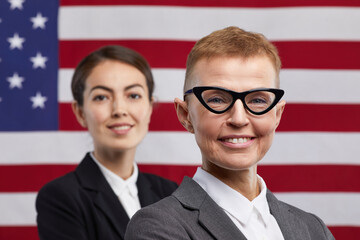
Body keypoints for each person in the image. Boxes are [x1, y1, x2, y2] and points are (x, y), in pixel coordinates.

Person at [125, 27, 335, 239]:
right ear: (185, 114)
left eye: (258, 100)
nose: (239, 119)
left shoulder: (313, 229)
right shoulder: (157, 226)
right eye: (217, 99)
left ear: (277, 114)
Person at [36, 45, 178, 240]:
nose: (119, 109)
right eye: (101, 97)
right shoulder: (60, 197)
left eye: (133, 95)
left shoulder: (171, 193)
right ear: (80, 112)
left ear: (150, 107)